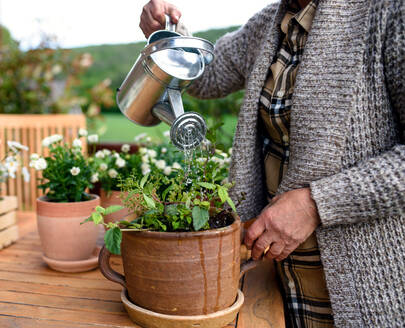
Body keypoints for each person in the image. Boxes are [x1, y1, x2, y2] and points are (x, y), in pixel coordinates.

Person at [140, 0, 404, 327]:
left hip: (366, 287)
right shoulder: (269, 23)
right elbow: (207, 77)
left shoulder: (387, 12)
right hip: (281, 280)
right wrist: (167, 32)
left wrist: (316, 204)